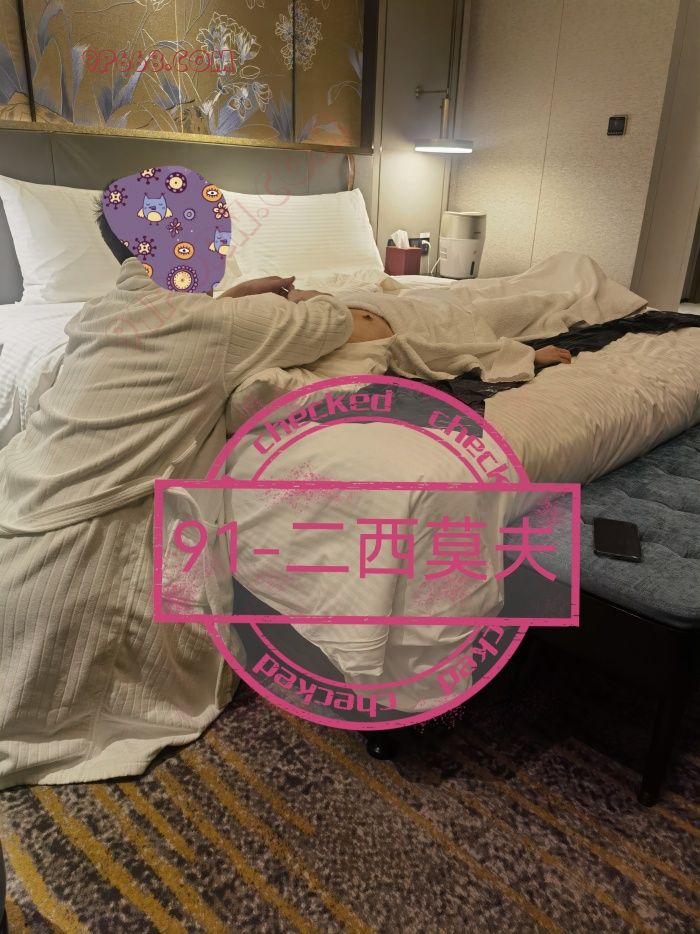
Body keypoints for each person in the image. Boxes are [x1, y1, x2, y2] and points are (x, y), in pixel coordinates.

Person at [0, 173, 382, 789]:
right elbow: (337, 321)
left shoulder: (101, 314)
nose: (223, 243)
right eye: (214, 232)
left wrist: (230, 303)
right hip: (66, 579)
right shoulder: (217, 326)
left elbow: (188, 328)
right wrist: (294, 300)